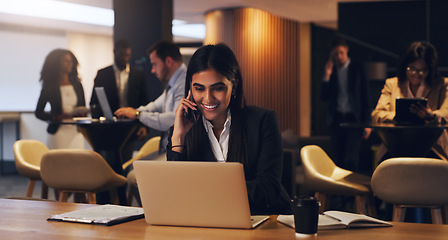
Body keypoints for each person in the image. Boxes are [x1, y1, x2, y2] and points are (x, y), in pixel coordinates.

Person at [166, 43, 292, 215]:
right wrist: (178, 138)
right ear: (190, 88)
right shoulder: (182, 131)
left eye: (218, 88)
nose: (208, 99)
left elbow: (268, 188)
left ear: (234, 85)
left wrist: (206, 192)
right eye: (199, 88)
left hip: (263, 219)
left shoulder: (263, 121)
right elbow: (175, 193)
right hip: (207, 223)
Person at [371, 41, 448, 162]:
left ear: (431, 69)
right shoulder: (393, 84)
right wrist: (397, 116)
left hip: (432, 148)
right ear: (404, 65)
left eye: (423, 70)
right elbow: (377, 114)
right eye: (411, 69)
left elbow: (446, 113)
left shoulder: (441, 85)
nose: (416, 74)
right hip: (395, 147)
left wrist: (431, 116)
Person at [114, 40, 186, 156]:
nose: (152, 70)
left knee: (135, 171)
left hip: (178, 154)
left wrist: (138, 115)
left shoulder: (183, 83)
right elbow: (155, 105)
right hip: (168, 150)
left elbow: (176, 119)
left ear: (168, 61)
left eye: (155, 64)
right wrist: (135, 111)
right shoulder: (175, 83)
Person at [90, 39, 150, 162]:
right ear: (115, 52)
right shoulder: (103, 74)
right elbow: (94, 101)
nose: (125, 58)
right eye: (122, 55)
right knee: (107, 163)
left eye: (127, 55)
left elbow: (145, 102)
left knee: (126, 162)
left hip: (130, 128)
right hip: (108, 129)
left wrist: (144, 126)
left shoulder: (138, 75)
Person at [320, 36, 371, 172]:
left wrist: (368, 123)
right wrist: (326, 76)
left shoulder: (358, 67)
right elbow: (323, 96)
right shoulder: (332, 71)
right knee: (338, 159)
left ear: (346, 50)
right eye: (335, 54)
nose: (339, 56)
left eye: (341, 52)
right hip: (337, 119)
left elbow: (365, 95)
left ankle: (351, 193)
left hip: (354, 119)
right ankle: (339, 193)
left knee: (351, 159)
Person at [35, 49, 86, 149]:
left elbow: (82, 107)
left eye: (71, 61)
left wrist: (82, 113)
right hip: (58, 132)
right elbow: (38, 112)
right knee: (60, 162)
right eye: (66, 61)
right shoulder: (49, 87)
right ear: (57, 63)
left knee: (78, 161)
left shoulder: (77, 85)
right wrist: (54, 117)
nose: (70, 64)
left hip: (76, 132)